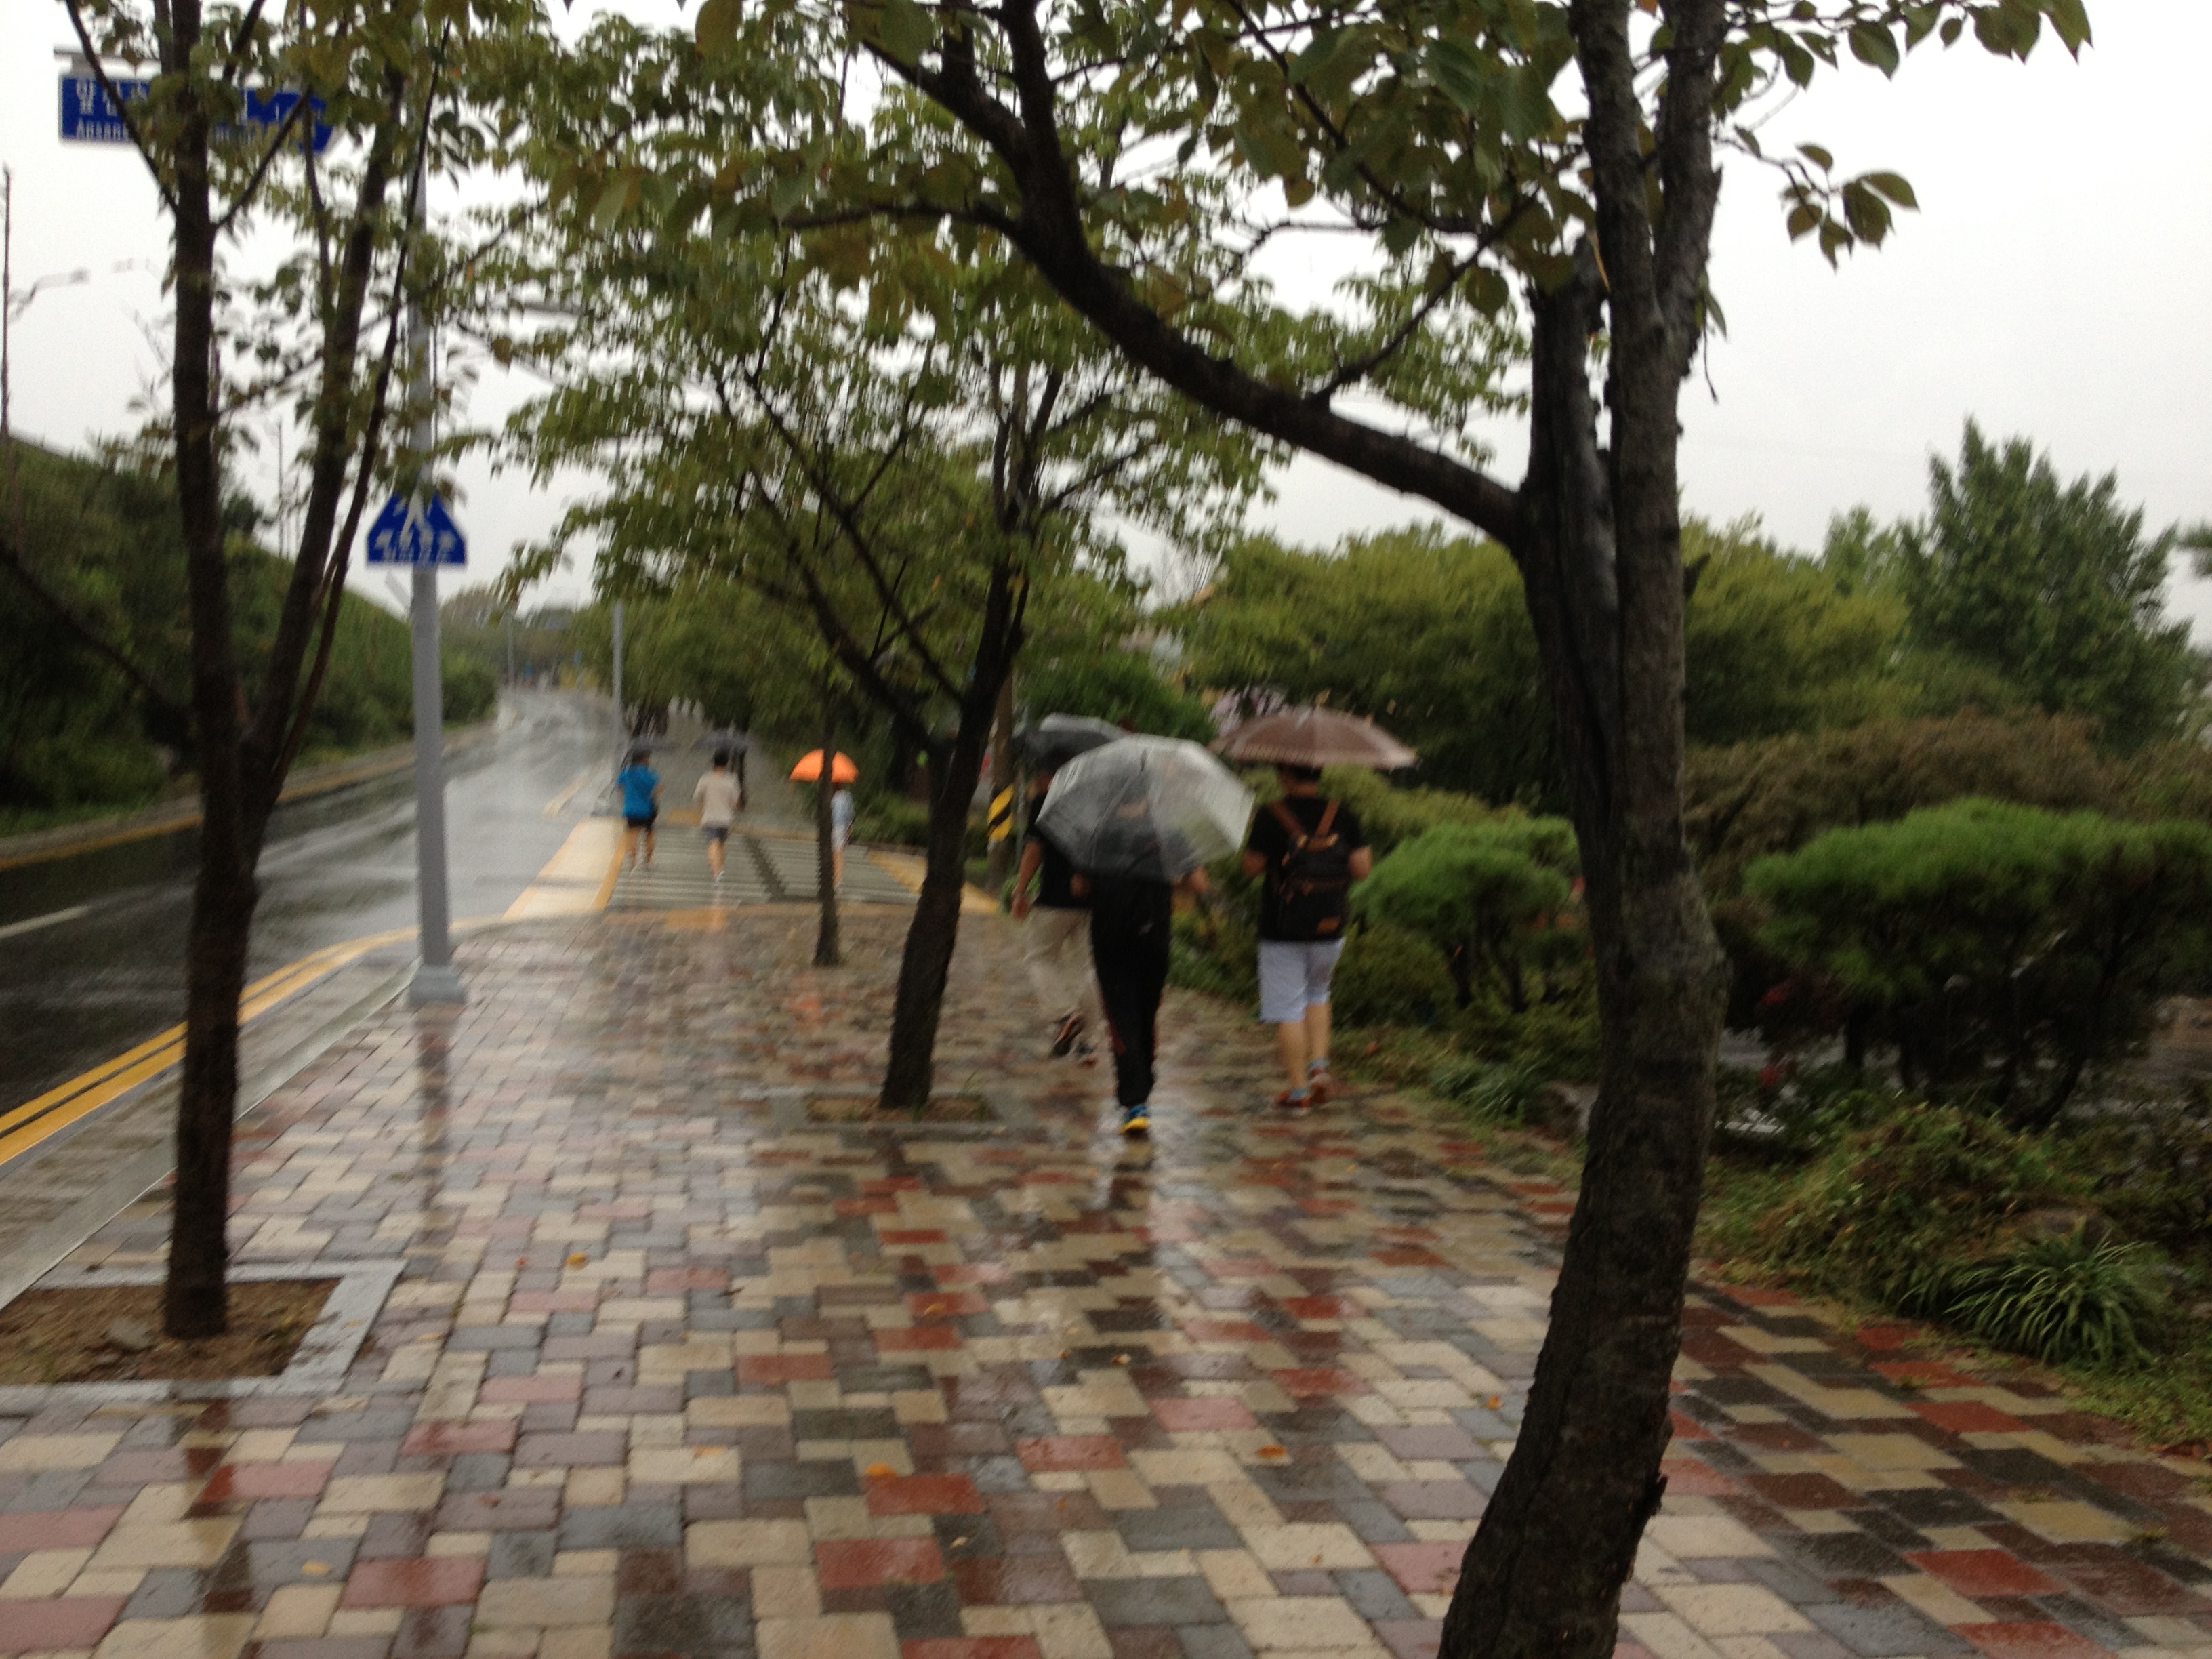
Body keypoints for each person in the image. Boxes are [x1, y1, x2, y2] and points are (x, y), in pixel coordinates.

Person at [1242, 764, 1372, 1109]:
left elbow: (1251, 868)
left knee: (1287, 1007)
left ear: (1286, 775)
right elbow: (1362, 869)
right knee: (1318, 992)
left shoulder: (1270, 815)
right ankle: (1319, 1066)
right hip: (1329, 926)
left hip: (1281, 928)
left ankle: (1299, 1091)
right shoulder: (1342, 813)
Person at [1076, 803, 1207, 1137]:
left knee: (1122, 1017)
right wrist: (1170, 881)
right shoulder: (1167, 831)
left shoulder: (1099, 833)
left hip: (1110, 937)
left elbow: (1078, 886)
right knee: (1146, 1014)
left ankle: (1135, 1102)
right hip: (1154, 936)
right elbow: (1199, 882)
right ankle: (1143, 1081)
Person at [1011, 771, 1100, 1057]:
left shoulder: (1046, 801)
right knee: (1092, 968)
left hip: (1055, 899)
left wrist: (1020, 891)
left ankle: (1065, 1015)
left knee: (1040, 958)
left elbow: (1033, 850)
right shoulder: (1103, 799)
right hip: (1096, 899)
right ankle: (1086, 1042)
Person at [694, 747, 743, 881]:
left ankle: (716, 872)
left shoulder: (705, 778)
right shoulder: (732, 779)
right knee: (721, 843)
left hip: (710, 817)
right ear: (726, 763)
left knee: (712, 843)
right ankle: (720, 868)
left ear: (713, 762)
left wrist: (701, 809)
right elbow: (736, 802)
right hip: (726, 818)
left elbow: (699, 797)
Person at [617, 745, 662, 871]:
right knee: (649, 834)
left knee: (632, 834)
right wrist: (650, 792)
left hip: (630, 809)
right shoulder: (650, 773)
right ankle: (648, 861)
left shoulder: (626, 772)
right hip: (647, 809)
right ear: (644, 759)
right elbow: (658, 789)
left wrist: (628, 797)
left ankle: (633, 863)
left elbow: (620, 787)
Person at [829, 783, 855, 891]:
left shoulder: (828, 795)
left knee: (834, 854)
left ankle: (836, 879)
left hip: (832, 827)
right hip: (840, 827)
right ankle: (837, 880)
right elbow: (849, 815)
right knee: (838, 854)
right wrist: (849, 829)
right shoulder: (846, 796)